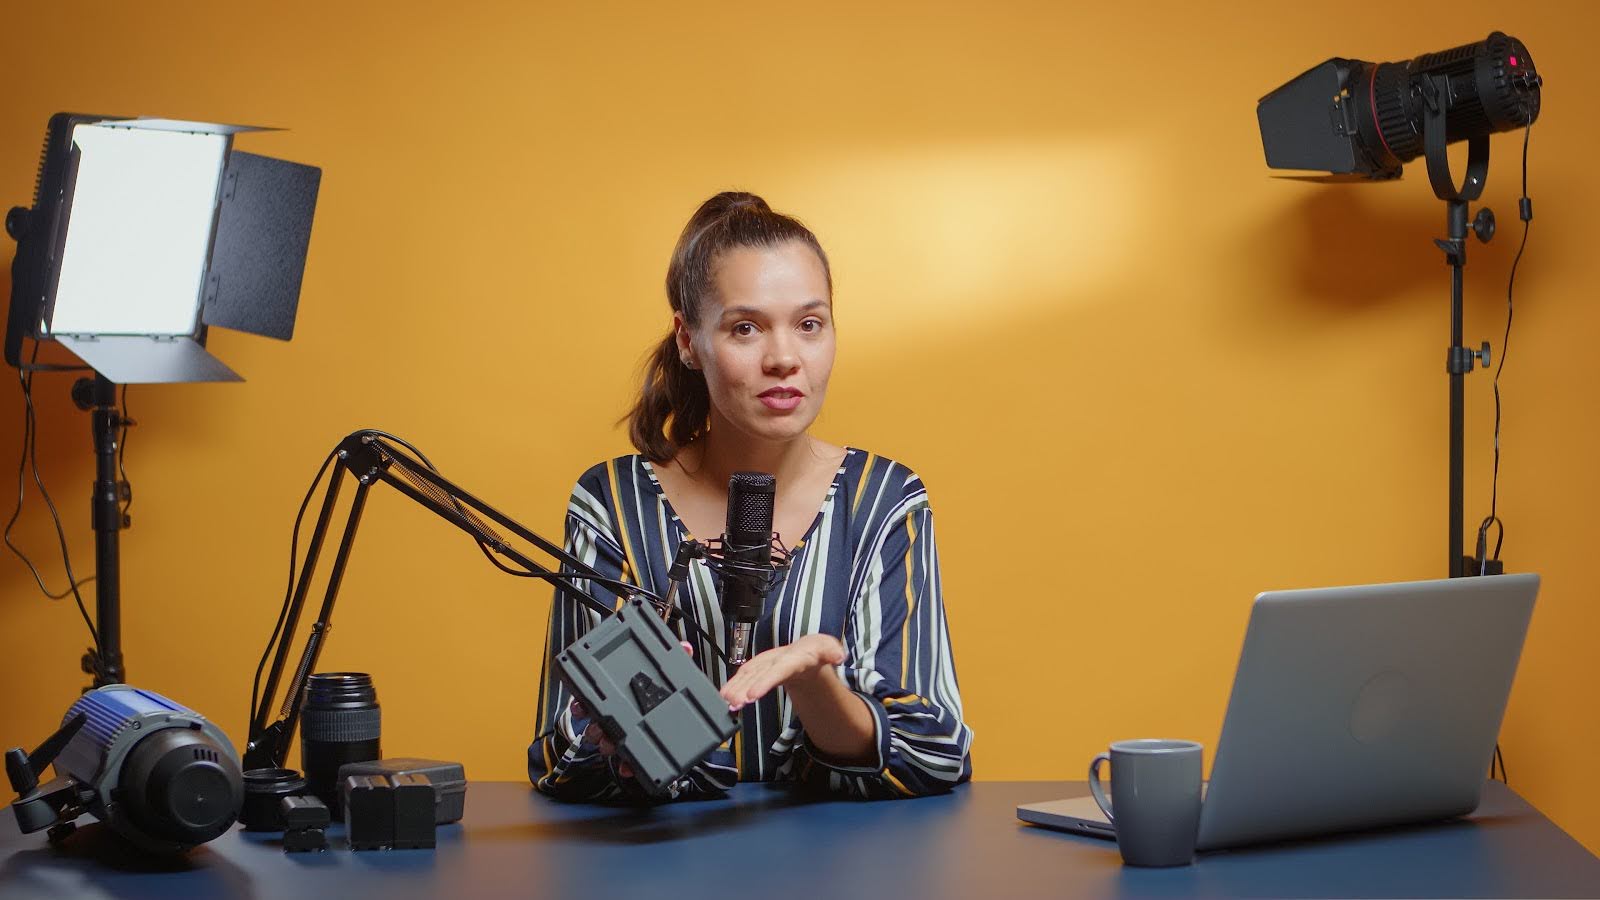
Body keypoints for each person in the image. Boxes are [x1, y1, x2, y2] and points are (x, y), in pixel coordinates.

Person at [527, 191, 973, 801]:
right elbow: (560, 754)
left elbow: (932, 752)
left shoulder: (885, 501)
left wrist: (815, 682)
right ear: (688, 341)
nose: (785, 358)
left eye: (809, 325)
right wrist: (623, 740)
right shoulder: (612, 504)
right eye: (745, 328)